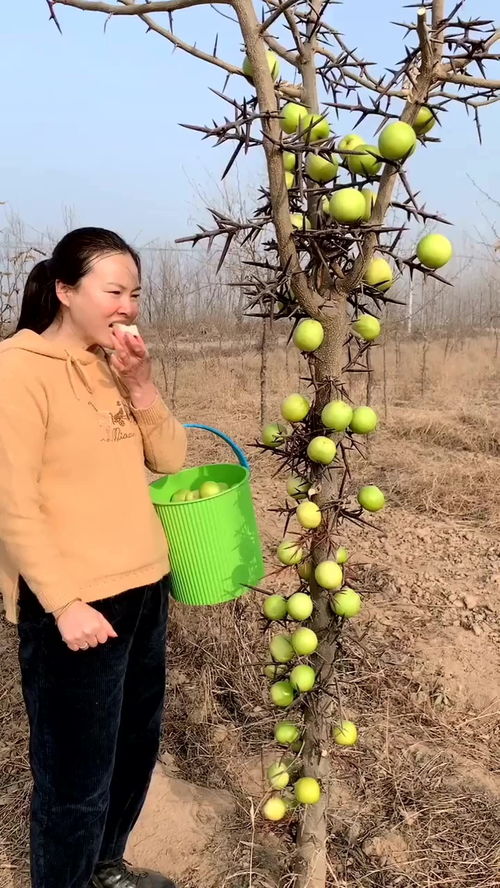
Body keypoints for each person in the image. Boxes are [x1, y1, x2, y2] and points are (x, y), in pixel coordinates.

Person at [0, 227, 187, 888]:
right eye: (114, 290)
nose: (128, 306)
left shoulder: (114, 364)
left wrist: (141, 384)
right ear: (64, 290)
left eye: (135, 293)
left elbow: (170, 460)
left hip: (143, 589)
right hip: (76, 605)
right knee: (74, 779)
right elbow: (12, 506)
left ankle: (107, 868)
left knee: (133, 751)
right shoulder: (17, 371)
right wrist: (63, 602)